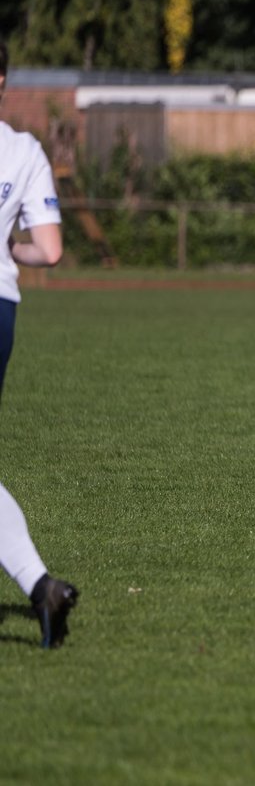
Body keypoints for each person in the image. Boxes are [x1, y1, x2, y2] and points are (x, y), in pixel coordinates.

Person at [0, 41, 79, 648]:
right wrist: (10, 251)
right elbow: (48, 250)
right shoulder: (23, 150)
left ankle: (40, 584)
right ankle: (42, 589)